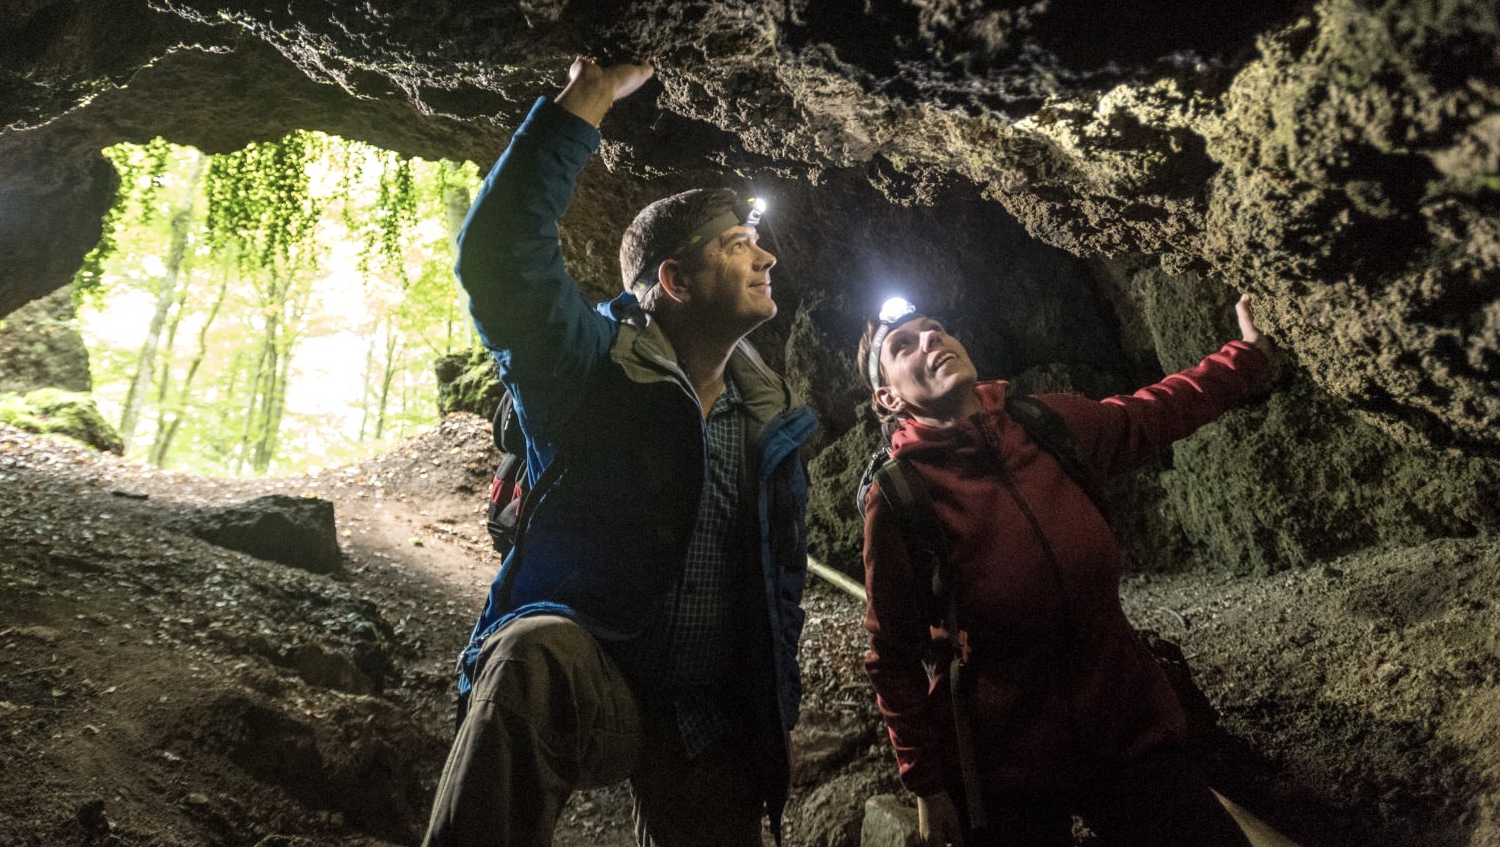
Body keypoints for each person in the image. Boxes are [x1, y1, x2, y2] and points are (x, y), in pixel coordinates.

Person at [423, 56, 818, 847]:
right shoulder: (587, 368)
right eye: (739, 244)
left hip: (705, 718)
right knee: (531, 657)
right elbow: (499, 256)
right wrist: (588, 99)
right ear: (675, 279)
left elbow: (777, 588)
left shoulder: (771, 421)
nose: (767, 258)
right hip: (592, 676)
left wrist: (771, 710)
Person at [858, 294, 1275, 847]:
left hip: (1126, 726)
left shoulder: (1046, 427)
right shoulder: (900, 497)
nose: (930, 339)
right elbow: (891, 656)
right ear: (888, 397)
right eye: (903, 345)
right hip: (1005, 766)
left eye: (935, 328)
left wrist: (1247, 355)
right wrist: (927, 785)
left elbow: (1156, 411)